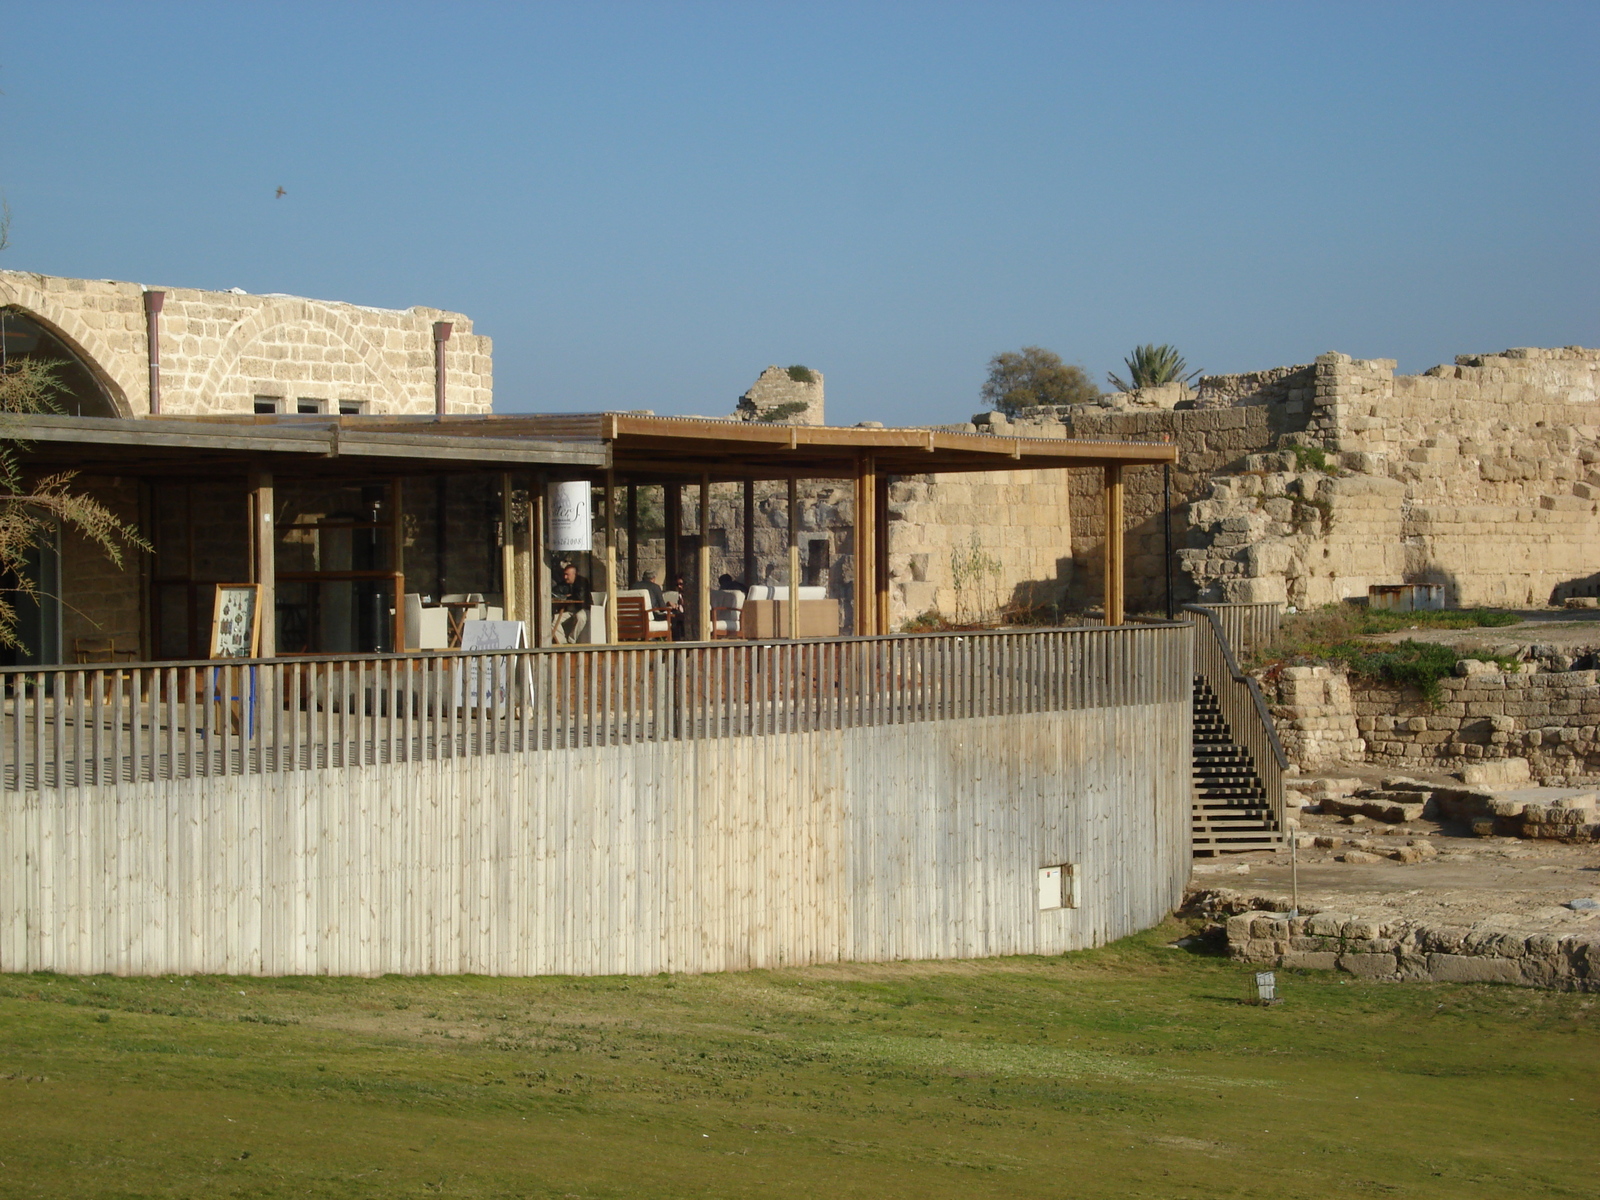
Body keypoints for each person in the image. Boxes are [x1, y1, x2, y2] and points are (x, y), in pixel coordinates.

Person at [551, 562, 593, 643]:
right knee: (553, 620)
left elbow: (580, 597)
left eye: (567, 574)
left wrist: (568, 596)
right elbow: (554, 592)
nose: (565, 577)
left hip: (583, 608)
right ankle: (563, 643)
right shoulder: (564, 583)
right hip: (569, 610)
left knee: (580, 617)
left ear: (575, 574)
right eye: (564, 574)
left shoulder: (582, 581)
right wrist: (564, 596)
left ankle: (571, 640)